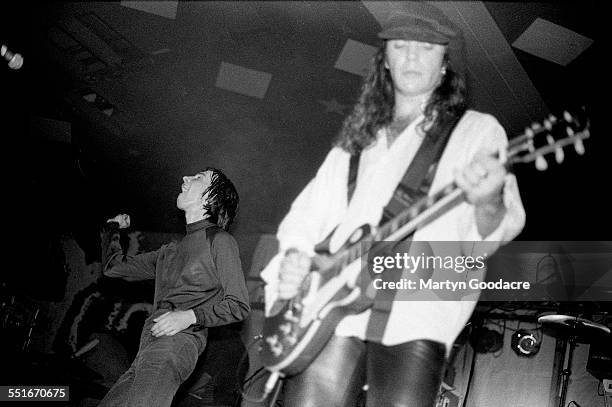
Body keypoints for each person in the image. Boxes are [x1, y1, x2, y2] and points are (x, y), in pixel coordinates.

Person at [260, 3, 526, 407]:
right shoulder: (357, 140)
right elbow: (308, 213)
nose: (412, 57)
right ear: (385, 60)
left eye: (426, 48)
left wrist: (487, 197)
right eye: (400, 46)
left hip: (419, 308)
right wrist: (295, 256)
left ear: (445, 64)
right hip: (334, 308)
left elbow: (492, 231)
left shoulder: (477, 131)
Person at [98, 167, 250, 407]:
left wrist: (189, 317)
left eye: (198, 177)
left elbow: (238, 305)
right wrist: (112, 229)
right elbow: (113, 268)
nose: (185, 178)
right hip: (147, 347)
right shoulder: (169, 251)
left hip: (177, 342)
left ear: (210, 198)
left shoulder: (220, 241)